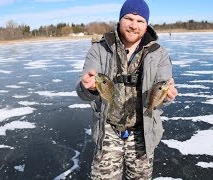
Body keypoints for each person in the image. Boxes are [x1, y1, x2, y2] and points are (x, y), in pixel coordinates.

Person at [76, 0, 178, 179]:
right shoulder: (99, 49)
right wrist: (88, 88)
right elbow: (82, 92)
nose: (133, 25)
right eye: (128, 18)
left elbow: (161, 96)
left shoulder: (159, 53)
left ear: (147, 25)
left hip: (143, 132)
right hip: (108, 130)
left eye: (140, 21)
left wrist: (167, 96)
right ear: (120, 20)